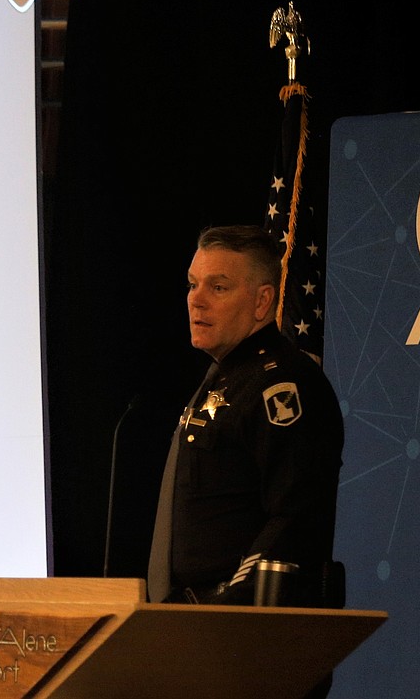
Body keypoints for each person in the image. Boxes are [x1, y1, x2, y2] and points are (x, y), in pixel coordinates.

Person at [148, 224, 344, 611]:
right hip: (192, 619)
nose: (196, 300)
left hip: (243, 628)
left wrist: (226, 606)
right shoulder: (228, 377)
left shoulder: (283, 383)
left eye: (217, 287)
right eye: (192, 284)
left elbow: (294, 518)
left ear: (261, 301)